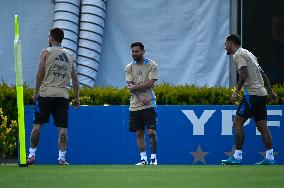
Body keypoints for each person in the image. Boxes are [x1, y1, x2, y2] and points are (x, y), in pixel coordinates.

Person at [221, 34, 278, 165]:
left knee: (237, 123)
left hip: (251, 94)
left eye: (226, 44)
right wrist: (270, 92)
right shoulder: (249, 54)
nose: (225, 47)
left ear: (230, 43)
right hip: (261, 94)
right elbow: (263, 74)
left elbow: (244, 74)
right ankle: (270, 158)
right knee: (262, 126)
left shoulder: (238, 54)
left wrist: (236, 92)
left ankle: (237, 156)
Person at [26, 28, 80, 165]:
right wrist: (77, 97)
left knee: (37, 127)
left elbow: (40, 74)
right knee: (63, 130)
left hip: (45, 95)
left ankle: (31, 155)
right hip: (62, 96)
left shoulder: (46, 52)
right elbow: (75, 79)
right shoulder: (69, 55)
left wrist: (35, 91)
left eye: (48, 37)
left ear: (51, 38)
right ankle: (62, 158)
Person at [125, 42, 158, 165]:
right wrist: (140, 96)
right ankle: (143, 159)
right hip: (135, 105)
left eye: (137, 51)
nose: (134, 53)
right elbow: (130, 86)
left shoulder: (151, 64)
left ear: (143, 51)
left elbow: (151, 83)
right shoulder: (129, 67)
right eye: (133, 51)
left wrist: (135, 88)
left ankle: (153, 159)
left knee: (151, 132)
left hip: (149, 104)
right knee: (139, 133)